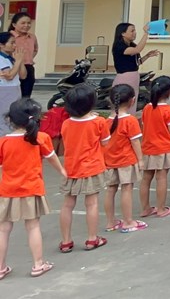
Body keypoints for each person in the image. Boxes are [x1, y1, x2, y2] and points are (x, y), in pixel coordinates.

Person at [0, 98, 66, 279]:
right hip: (31, 189)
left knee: (3, 229)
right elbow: (52, 158)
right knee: (33, 226)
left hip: (7, 190)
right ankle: (38, 264)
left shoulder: (3, 142)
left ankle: (0, 267)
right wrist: (62, 171)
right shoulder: (40, 138)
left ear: (10, 119)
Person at [58, 84, 110, 253]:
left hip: (71, 168)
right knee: (91, 203)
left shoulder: (66, 123)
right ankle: (92, 239)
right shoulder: (99, 122)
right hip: (91, 167)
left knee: (67, 204)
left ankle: (66, 241)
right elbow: (105, 142)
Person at [103, 84, 145, 233]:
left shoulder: (105, 121)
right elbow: (135, 142)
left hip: (109, 161)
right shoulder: (130, 120)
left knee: (110, 190)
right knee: (126, 189)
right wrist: (140, 160)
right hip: (126, 160)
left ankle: (110, 222)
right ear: (132, 101)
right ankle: (128, 221)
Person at [139, 76, 170, 219]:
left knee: (146, 178)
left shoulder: (147, 108)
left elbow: (144, 124)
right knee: (161, 178)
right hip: (163, 147)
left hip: (148, 147)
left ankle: (145, 208)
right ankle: (161, 208)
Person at [112, 22, 159, 104]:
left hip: (134, 76)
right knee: (124, 103)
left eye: (135, 31)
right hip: (125, 77)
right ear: (123, 33)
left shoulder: (131, 45)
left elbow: (136, 63)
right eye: (132, 31)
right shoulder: (119, 46)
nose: (135, 33)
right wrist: (146, 33)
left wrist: (147, 56)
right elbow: (137, 50)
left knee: (132, 102)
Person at [7, 13, 37, 99]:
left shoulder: (32, 37)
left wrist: (29, 58)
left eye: (28, 23)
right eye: (23, 23)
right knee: (11, 96)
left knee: (26, 96)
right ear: (14, 24)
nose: (26, 25)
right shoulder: (8, 37)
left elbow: (35, 49)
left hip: (28, 67)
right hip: (13, 68)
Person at [0, 33, 25, 135]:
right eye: (12, 43)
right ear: (1, 45)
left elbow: (23, 75)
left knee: (14, 113)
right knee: (4, 115)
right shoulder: (1, 59)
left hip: (15, 89)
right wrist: (18, 61)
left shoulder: (11, 58)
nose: (15, 45)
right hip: (5, 90)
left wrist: (20, 61)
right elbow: (9, 76)